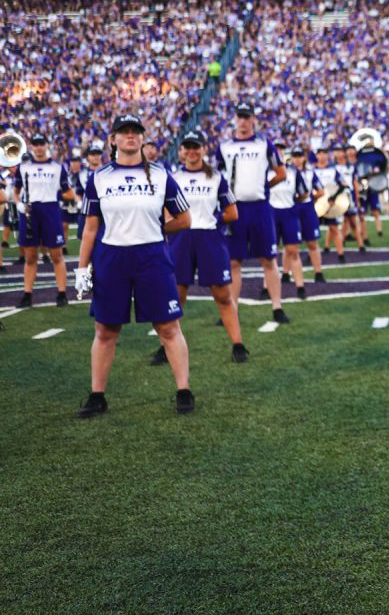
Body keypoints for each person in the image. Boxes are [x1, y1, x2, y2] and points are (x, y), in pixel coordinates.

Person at [75, 114, 195, 418]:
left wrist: (156, 230)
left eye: (135, 132)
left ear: (142, 138)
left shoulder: (161, 174)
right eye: (124, 131)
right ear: (113, 139)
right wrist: (81, 267)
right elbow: (90, 228)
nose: (130, 136)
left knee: (168, 326)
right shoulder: (99, 177)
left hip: (152, 258)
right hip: (111, 257)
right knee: (105, 329)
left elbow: (184, 218)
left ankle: (184, 390)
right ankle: (97, 396)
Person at [160, 129, 248, 364]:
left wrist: (212, 219)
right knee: (177, 294)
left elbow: (232, 212)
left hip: (210, 239)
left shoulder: (216, 177)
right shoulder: (173, 178)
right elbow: (166, 211)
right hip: (181, 239)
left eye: (195, 146)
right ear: (181, 151)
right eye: (187, 147)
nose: (191, 151)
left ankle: (238, 344)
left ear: (203, 149)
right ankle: (165, 346)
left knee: (222, 294)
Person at [217, 105, 289, 324]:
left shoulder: (264, 144)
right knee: (234, 262)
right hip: (235, 208)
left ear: (253, 119)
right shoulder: (224, 147)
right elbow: (219, 176)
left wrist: (264, 187)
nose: (243, 121)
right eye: (240, 117)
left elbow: (281, 172)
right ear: (235, 118)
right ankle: (232, 309)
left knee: (268, 258)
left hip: (260, 207)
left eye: (247, 117)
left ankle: (277, 307)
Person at [13, 133, 74, 308]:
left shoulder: (57, 167)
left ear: (47, 145)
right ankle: (27, 294)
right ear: (31, 146)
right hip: (30, 211)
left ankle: (62, 293)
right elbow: (16, 191)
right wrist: (19, 205)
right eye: (35, 144)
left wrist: (64, 196)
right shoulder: (23, 167)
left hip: (50, 210)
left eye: (42, 143)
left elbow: (66, 190)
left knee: (56, 254)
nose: (39, 147)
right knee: (30, 256)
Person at [268, 145, 313, 300]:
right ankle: (266, 287)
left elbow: (304, 192)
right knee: (269, 254)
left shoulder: (294, 172)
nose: (279, 153)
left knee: (293, 250)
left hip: (289, 213)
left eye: (281, 150)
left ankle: (300, 286)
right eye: (276, 150)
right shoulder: (265, 172)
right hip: (271, 213)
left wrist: (294, 202)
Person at [291, 147, 328, 284]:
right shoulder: (288, 173)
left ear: (304, 158)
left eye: (299, 156)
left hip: (306, 207)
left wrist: (309, 196)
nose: (297, 159)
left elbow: (321, 191)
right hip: (292, 207)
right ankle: (285, 273)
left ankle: (318, 272)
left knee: (312, 241)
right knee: (291, 244)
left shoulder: (310, 173)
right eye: (295, 156)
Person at [313, 147, 347, 264]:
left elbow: (343, 184)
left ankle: (341, 254)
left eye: (324, 154)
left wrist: (334, 197)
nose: (322, 156)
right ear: (316, 156)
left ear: (327, 156)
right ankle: (312, 254)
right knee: (312, 231)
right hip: (317, 204)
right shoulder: (312, 170)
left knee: (334, 228)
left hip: (330, 203)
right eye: (320, 153)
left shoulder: (333, 170)